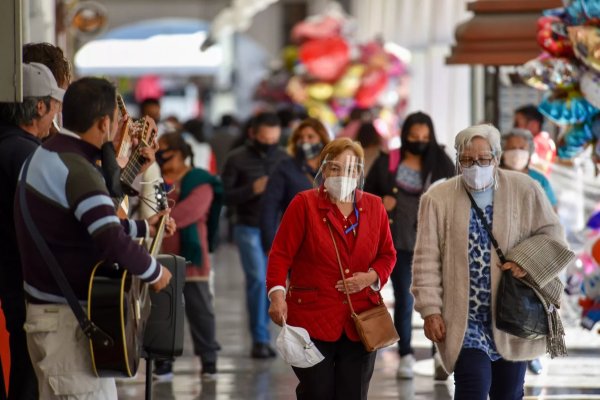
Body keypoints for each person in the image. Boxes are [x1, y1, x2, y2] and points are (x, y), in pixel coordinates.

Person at [13, 77, 174, 399]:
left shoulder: (49, 156)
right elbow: (110, 238)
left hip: (55, 318)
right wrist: (156, 273)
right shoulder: (78, 171)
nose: (119, 130)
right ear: (104, 123)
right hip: (66, 325)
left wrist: (146, 228)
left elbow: (85, 224)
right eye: (117, 122)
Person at [411, 124, 571, 399]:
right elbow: (426, 258)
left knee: (508, 393)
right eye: (467, 160)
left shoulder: (524, 188)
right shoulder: (438, 198)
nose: (475, 166)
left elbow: (553, 235)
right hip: (464, 319)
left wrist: (526, 262)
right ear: (458, 159)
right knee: (471, 388)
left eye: (483, 159)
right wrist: (430, 310)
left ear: (497, 158)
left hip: (512, 314)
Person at [267, 137, 396, 400]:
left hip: (361, 318)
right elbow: (281, 254)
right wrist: (277, 295)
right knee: (317, 392)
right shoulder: (304, 204)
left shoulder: (374, 206)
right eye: (334, 168)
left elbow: (387, 254)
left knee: (353, 393)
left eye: (349, 169)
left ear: (359, 172)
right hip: (311, 317)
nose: (342, 175)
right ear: (324, 169)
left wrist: (370, 277)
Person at [364, 111, 455, 379]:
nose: (419, 141)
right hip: (398, 242)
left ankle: (440, 353)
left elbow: (456, 194)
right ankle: (405, 353)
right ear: (405, 136)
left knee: (440, 299)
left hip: (435, 243)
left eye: (425, 137)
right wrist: (381, 201)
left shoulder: (442, 162)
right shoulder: (387, 162)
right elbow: (366, 199)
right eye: (414, 136)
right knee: (404, 299)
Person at [0, 61, 66, 400]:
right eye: (54, 104)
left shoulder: (9, 145)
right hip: (23, 281)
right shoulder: (28, 154)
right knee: (29, 373)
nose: (56, 112)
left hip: (9, 277)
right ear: (39, 106)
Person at [153, 133, 223, 381]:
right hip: (160, 254)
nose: (160, 155)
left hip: (192, 256)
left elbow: (191, 211)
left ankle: (209, 360)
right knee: (163, 310)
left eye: (165, 150)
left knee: (200, 310)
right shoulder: (154, 178)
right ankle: (162, 362)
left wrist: (160, 220)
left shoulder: (199, 179)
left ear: (180, 152)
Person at [222, 112, 288, 358]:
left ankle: (267, 337)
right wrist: (252, 189)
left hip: (277, 230)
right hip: (247, 226)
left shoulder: (283, 158)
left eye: (274, 140)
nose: (269, 144)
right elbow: (226, 196)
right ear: (253, 134)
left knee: (273, 284)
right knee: (258, 280)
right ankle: (260, 339)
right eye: (264, 139)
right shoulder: (236, 159)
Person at [500, 127, 558, 375]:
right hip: (503, 252)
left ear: (530, 153)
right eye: (511, 148)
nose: (516, 153)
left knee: (531, 304)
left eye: (521, 148)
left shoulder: (539, 180)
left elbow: (552, 214)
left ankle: (531, 351)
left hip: (532, 253)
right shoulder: (496, 178)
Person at [260, 118, 330, 252]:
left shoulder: (332, 167)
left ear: (322, 139)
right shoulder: (285, 167)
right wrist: (270, 244)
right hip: (297, 240)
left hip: (329, 239)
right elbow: (270, 205)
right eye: (301, 137)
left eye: (311, 137)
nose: (305, 141)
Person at [513, 104, 556, 174]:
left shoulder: (537, 143)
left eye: (517, 123)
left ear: (534, 124)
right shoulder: (546, 141)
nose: (515, 128)